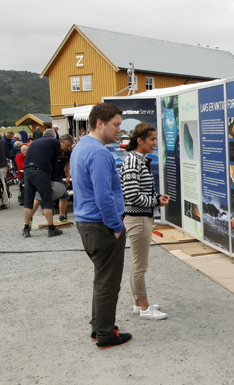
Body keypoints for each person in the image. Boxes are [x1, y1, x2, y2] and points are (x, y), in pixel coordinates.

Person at [72, 102, 130, 348]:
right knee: (108, 281)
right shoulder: (98, 153)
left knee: (101, 278)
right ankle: (105, 335)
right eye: (115, 125)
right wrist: (115, 225)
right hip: (102, 225)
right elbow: (103, 195)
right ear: (100, 123)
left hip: (88, 222)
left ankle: (100, 327)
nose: (119, 130)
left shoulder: (82, 146)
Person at [120, 123, 170, 320]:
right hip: (138, 218)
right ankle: (145, 307)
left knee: (137, 264)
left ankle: (137, 303)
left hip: (140, 216)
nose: (155, 143)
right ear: (139, 140)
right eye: (152, 139)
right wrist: (155, 201)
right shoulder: (133, 162)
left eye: (155, 139)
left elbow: (138, 191)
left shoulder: (137, 160)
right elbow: (132, 196)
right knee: (140, 266)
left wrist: (156, 197)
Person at [21, 126, 63, 238]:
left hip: (27, 170)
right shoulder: (54, 142)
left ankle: (26, 228)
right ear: (54, 136)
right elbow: (55, 162)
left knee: (28, 202)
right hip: (41, 171)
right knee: (46, 200)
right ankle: (51, 228)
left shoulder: (34, 142)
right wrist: (52, 179)